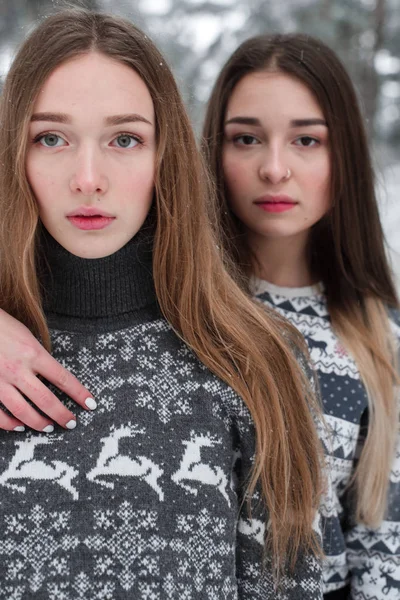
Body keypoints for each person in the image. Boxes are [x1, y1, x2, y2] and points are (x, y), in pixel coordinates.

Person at [0, 12, 324, 599]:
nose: (89, 178)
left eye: (125, 139)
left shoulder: (257, 363)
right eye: (51, 137)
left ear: (164, 157)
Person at [202, 33, 400, 600]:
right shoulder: (169, 303)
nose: (274, 168)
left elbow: (383, 555)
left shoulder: (380, 342)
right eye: (246, 138)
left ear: (346, 158)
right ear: (214, 150)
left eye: (306, 140)